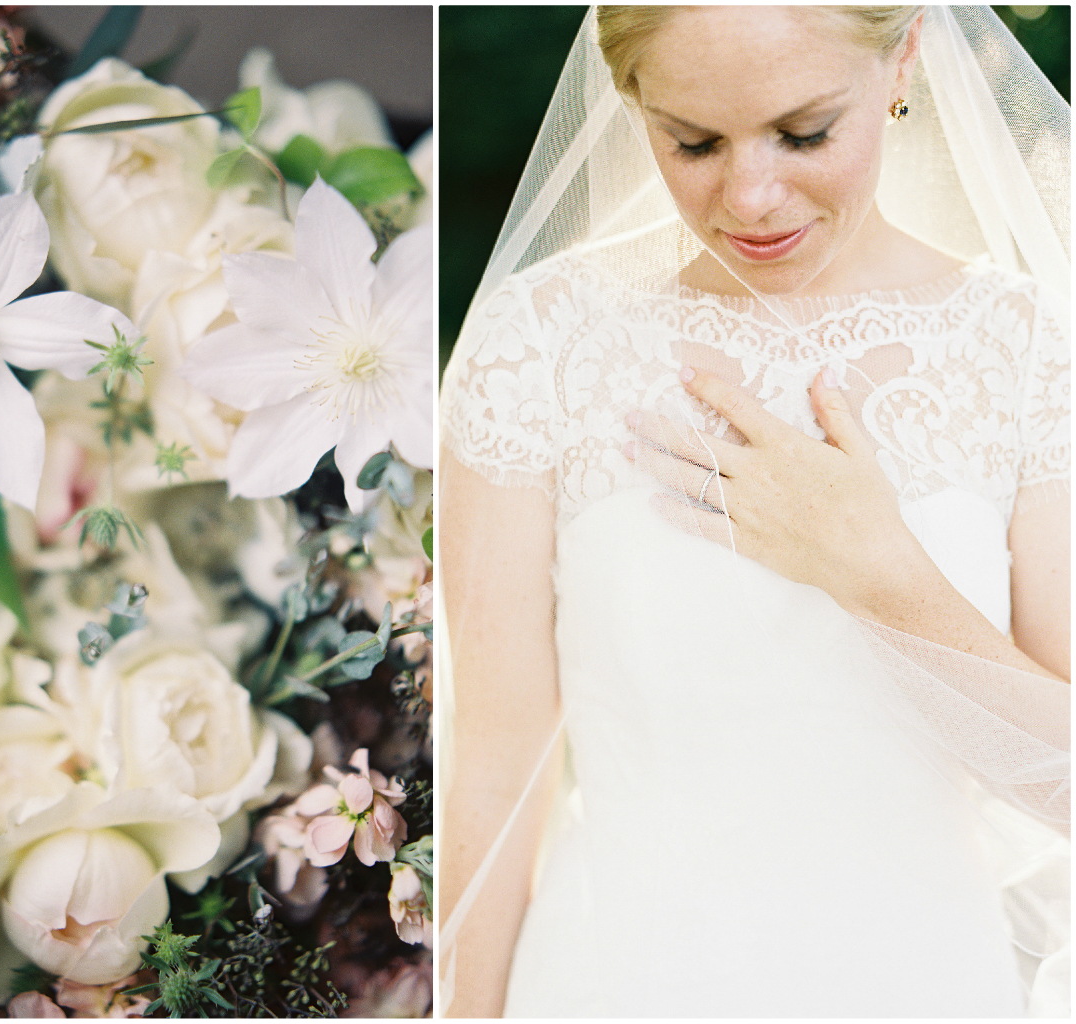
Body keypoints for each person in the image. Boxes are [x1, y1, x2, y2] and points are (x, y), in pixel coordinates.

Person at [438, 6, 1069, 1018]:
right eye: (691, 141)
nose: (750, 195)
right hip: (613, 983)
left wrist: (877, 571)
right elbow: (492, 774)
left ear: (901, 56)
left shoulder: (1022, 348)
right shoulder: (540, 345)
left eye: (804, 131)